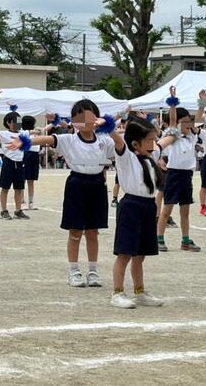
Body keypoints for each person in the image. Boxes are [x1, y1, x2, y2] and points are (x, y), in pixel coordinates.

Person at [7, 100, 126, 288]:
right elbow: (48, 140)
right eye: (80, 117)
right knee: (75, 231)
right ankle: (74, 270)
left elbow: (120, 144)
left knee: (93, 231)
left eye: (89, 116)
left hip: (97, 184)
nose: (85, 121)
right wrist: (26, 141)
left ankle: (93, 270)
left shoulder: (104, 141)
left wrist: (109, 125)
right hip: (76, 184)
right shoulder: (69, 140)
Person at [111, 116, 177, 309]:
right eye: (148, 140)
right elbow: (118, 141)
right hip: (131, 206)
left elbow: (165, 141)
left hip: (148, 206)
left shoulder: (151, 156)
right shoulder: (126, 158)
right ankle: (117, 293)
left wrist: (178, 132)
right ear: (135, 144)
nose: (153, 144)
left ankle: (139, 292)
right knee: (125, 253)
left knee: (140, 255)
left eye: (153, 139)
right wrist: (109, 127)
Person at [157, 86, 205, 253]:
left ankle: (185, 240)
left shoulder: (191, 136)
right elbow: (172, 119)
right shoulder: (173, 135)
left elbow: (198, 120)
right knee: (167, 210)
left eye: (188, 121)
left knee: (185, 211)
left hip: (186, 176)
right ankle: (159, 238)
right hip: (173, 175)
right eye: (183, 121)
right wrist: (172, 101)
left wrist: (202, 103)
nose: (187, 124)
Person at [0, 109, 29, 220]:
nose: (18, 124)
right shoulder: (4, 133)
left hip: (20, 163)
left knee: (19, 189)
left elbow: (34, 132)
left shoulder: (23, 133)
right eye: (15, 121)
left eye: (19, 121)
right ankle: (4, 211)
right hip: (8, 162)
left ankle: (18, 211)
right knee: (5, 188)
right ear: (8, 122)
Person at [21, 115, 40, 210]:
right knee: (23, 179)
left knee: (31, 180)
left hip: (35, 155)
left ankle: (31, 202)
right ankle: (22, 202)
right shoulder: (23, 132)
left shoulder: (35, 132)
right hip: (26, 154)